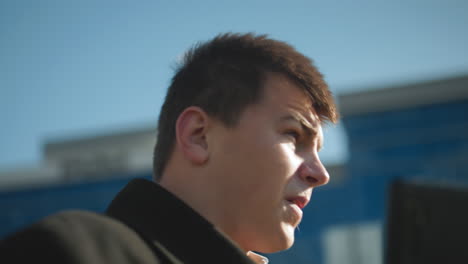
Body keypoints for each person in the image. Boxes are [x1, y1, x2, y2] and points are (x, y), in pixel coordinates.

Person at [0, 33, 338, 263]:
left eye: (319, 150)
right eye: (294, 136)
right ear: (198, 135)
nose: (320, 174)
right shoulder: (73, 252)